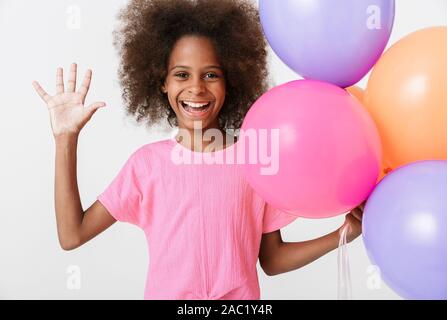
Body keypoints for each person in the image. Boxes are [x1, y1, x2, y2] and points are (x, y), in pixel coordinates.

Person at [32, 0, 364, 300]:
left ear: (230, 79)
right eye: (181, 74)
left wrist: (342, 234)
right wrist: (65, 139)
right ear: (161, 81)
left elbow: (272, 260)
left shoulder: (255, 161)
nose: (196, 88)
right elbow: (72, 235)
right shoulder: (146, 166)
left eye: (210, 74)